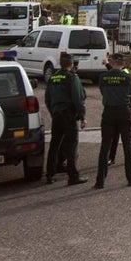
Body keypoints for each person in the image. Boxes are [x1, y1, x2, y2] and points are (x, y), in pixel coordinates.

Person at [95, 54, 131, 188]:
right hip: (124, 112)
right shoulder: (126, 77)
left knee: (105, 146)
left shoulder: (103, 77)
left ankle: (100, 181)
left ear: (112, 62)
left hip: (108, 112)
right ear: (123, 63)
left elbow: (102, 91)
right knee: (127, 146)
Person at [45, 55, 89, 186]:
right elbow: (78, 99)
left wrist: (53, 112)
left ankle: (50, 175)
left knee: (54, 144)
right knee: (71, 145)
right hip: (68, 114)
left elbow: (47, 99)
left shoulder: (53, 78)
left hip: (57, 114)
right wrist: (82, 116)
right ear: (71, 64)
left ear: (60, 63)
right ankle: (73, 176)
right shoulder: (72, 77)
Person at [106, 59, 131, 166]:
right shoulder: (114, 73)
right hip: (117, 108)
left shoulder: (126, 72)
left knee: (129, 135)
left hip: (125, 106)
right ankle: (111, 157)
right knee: (114, 135)